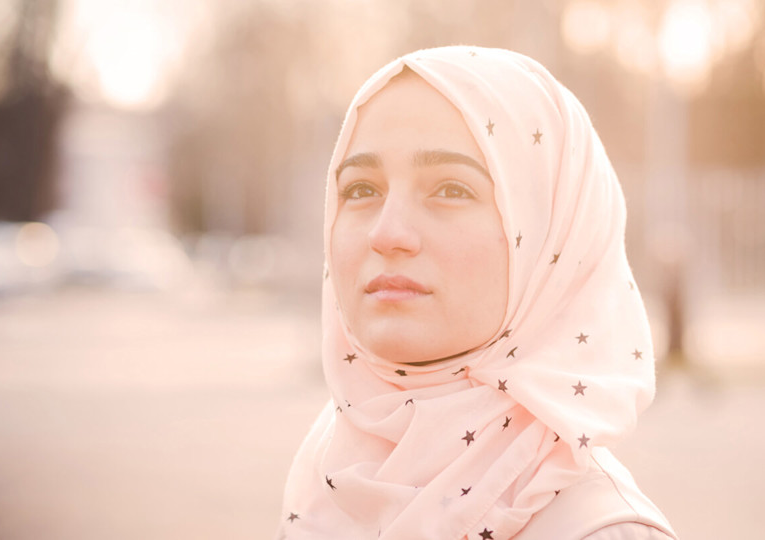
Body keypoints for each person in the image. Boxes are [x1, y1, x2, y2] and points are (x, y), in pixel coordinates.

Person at [277, 46, 677, 540]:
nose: (387, 233)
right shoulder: (330, 478)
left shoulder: (597, 532)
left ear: (551, 232)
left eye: (451, 189)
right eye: (360, 190)